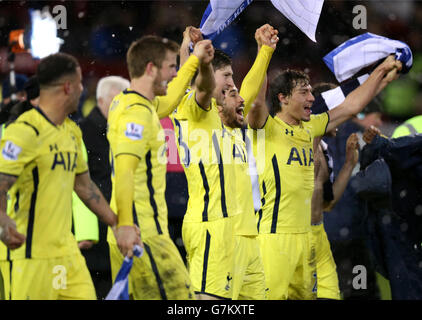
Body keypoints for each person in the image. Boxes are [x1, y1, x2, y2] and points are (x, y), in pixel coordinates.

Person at [248, 52, 402, 299]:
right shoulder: (267, 130)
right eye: (304, 93)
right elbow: (254, 104)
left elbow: (352, 105)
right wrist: (264, 52)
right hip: (277, 237)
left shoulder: (311, 128)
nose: (311, 98)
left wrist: (381, 70)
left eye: (311, 92)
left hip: (312, 236)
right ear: (283, 99)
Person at [0, 52, 119, 300]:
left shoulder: (72, 132)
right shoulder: (24, 132)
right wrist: (2, 220)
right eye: (78, 83)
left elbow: (85, 188)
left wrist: (117, 224)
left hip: (67, 254)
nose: (81, 89)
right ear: (67, 87)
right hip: (30, 254)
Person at [172, 24, 277, 300]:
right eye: (227, 76)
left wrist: (265, 51)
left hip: (246, 233)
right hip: (212, 228)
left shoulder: (229, 122)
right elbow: (197, 83)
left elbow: (250, 92)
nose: (233, 85)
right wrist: (193, 53)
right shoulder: (194, 112)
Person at [107, 35, 214, 299]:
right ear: (150, 68)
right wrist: (126, 225)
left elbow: (169, 100)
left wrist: (192, 59)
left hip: (132, 231)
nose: (174, 73)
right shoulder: (138, 115)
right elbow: (125, 171)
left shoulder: (126, 102)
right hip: (144, 234)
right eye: (170, 67)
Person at [78, 75, 130, 299]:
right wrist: (84, 231)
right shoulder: (84, 132)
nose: (124, 108)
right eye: (118, 101)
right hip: (95, 234)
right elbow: (80, 186)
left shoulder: (122, 131)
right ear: (101, 101)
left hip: (117, 227)